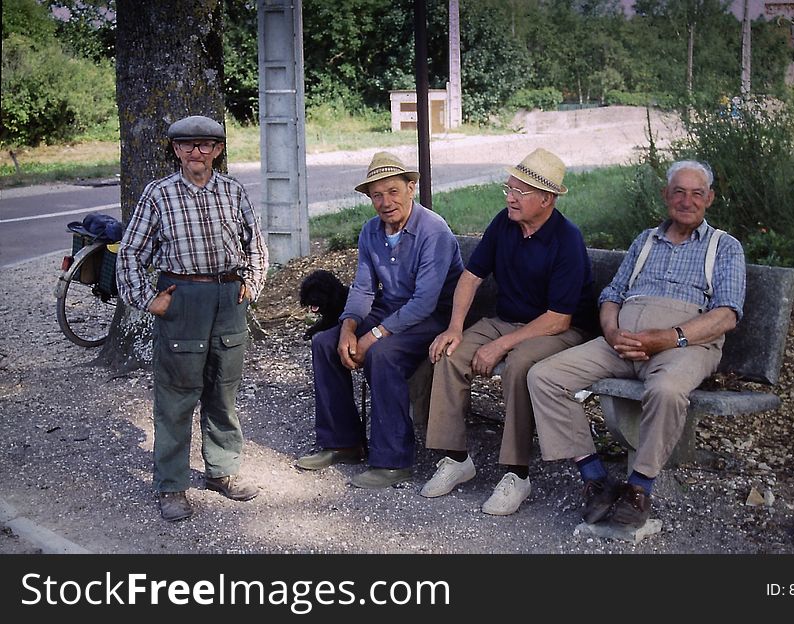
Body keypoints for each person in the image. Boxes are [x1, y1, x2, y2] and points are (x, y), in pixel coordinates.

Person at [527, 160, 746, 529]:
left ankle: (639, 488)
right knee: (544, 376)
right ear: (666, 196)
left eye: (696, 193)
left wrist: (668, 337)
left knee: (666, 390)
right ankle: (594, 478)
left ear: (709, 198)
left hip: (684, 346)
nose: (686, 201)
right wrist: (612, 333)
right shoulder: (645, 241)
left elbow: (726, 314)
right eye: (678, 192)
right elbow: (612, 294)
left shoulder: (724, 247)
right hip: (622, 342)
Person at [422, 148, 593, 516]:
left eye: (521, 191)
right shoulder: (504, 223)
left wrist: (501, 344)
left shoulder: (567, 240)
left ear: (546, 199)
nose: (510, 197)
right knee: (450, 353)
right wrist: (454, 327)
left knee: (519, 366)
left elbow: (559, 319)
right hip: (507, 322)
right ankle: (456, 459)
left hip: (557, 330)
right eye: (508, 188)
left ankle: (517, 474)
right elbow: (470, 277)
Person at [116, 114, 269, 522]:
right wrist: (149, 299)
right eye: (186, 146)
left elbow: (256, 245)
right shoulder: (158, 195)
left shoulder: (234, 192)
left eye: (205, 145)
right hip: (182, 299)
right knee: (176, 396)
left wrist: (251, 284)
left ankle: (223, 472)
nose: (195, 152)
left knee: (223, 389)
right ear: (176, 151)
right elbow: (129, 253)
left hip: (229, 300)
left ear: (218, 151)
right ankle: (171, 485)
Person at [298, 152, 463, 489]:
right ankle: (343, 442)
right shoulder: (371, 231)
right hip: (390, 309)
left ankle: (393, 461)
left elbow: (424, 302)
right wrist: (347, 328)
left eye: (393, 191)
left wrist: (371, 336)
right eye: (377, 195)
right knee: (324, 343)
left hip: (433, 317)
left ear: (411, 188)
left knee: (382, 353)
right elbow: (362, 288)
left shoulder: (434, 231)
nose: (386, 202)